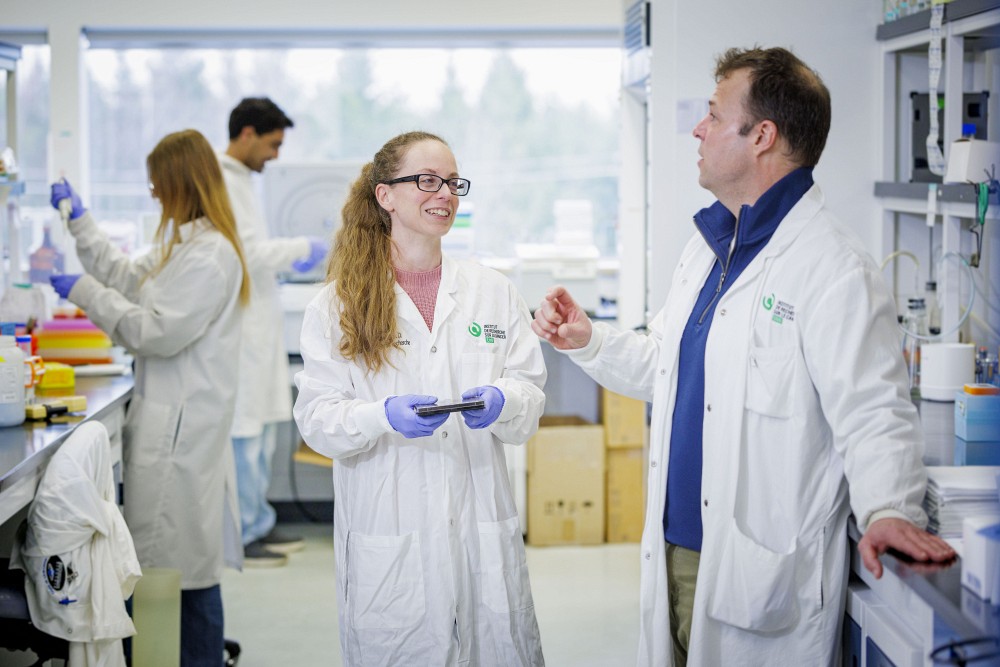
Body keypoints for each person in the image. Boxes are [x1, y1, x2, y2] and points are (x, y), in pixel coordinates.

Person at [531, 47, 956, 666]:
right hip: (679, 551)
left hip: (758, 575)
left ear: (762, 135)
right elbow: (670, 369)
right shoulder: (711, 246)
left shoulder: (833, 267)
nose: (698, 129)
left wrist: (890, 509)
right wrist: (588, 340)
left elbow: (873, 409)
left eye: (712, 114)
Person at [293, 131, 547, 665]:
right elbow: (317, 418)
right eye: (428, 180)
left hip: (481, 520)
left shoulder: (491, 291)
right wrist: (379, 417)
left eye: (452, 182)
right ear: (386, 195)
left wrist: (506, 400)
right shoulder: (337, 305)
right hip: (392, 528)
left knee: (497, 647)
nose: (445, 194)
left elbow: (528, 388)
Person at [49, 129, 250, 666]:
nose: (155, 195)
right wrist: (79, 222)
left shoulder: (209, 257)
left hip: (182, 436)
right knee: (170, 565)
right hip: (171, 425)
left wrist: (82, 293)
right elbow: (127, 276)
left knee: (183, 570)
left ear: (182, 182)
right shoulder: (183, 244)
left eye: (160, 185)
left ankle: (198, 660)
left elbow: (154, 331)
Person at [219, 97, 327, 567]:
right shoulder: (222, 179)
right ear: (247, 133)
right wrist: (302, 247)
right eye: (273, 144)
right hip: (239, 329)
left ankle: (258, 520)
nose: (276, 155)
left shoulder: (241, 181)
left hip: (258, 321)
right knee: (246, 433)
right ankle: (243, 532)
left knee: (260, 432)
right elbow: (246, 251)